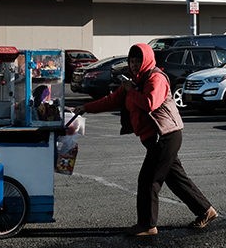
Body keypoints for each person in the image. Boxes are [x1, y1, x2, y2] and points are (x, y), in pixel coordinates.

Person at [74, 43, 217, 236]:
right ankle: (205, 211)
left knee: (148, 181)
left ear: (146, 60)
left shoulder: (155, 78)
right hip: (156, 137)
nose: (134, 64)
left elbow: (150, 103)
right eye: (132, 61)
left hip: (165, 136)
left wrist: (131, 90)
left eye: (138, 60)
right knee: (176, 179)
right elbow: (113, 100)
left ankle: (147, 225)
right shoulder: (134, 80)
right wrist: (86, 107)